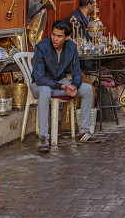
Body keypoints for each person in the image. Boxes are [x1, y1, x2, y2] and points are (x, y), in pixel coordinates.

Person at [31, 20, 100, 152]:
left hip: (60, 84)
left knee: (86, 89)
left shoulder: (71, 47)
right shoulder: (42, 47)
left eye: (59, 36)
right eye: (53, 34)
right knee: (45, 91)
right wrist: (62, 87)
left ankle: (84, 132)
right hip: (40, 86)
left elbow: (76, 73)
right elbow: (39, 79)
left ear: (67, 37)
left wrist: (73, 86)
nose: (55, 39)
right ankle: (44, 138)